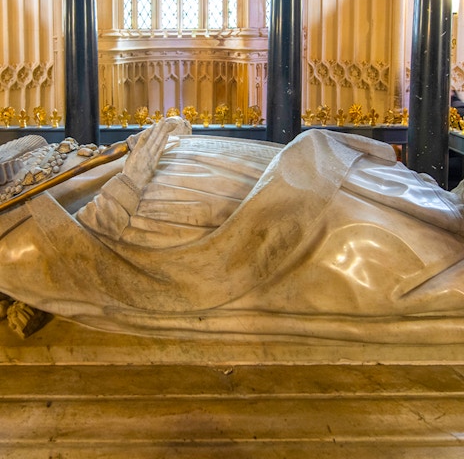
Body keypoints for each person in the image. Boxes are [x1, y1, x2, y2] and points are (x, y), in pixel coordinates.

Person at [1, 116, 464, 344]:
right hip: (170, 216)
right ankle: (440, 263)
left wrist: (149, 142)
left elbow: (87, 162)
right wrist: (138, 165)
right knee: (323, 223)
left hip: (189, 165)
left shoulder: (18, 158)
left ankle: (442, 211)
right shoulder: (5, 245)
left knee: (326, 171)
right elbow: (79, 256)